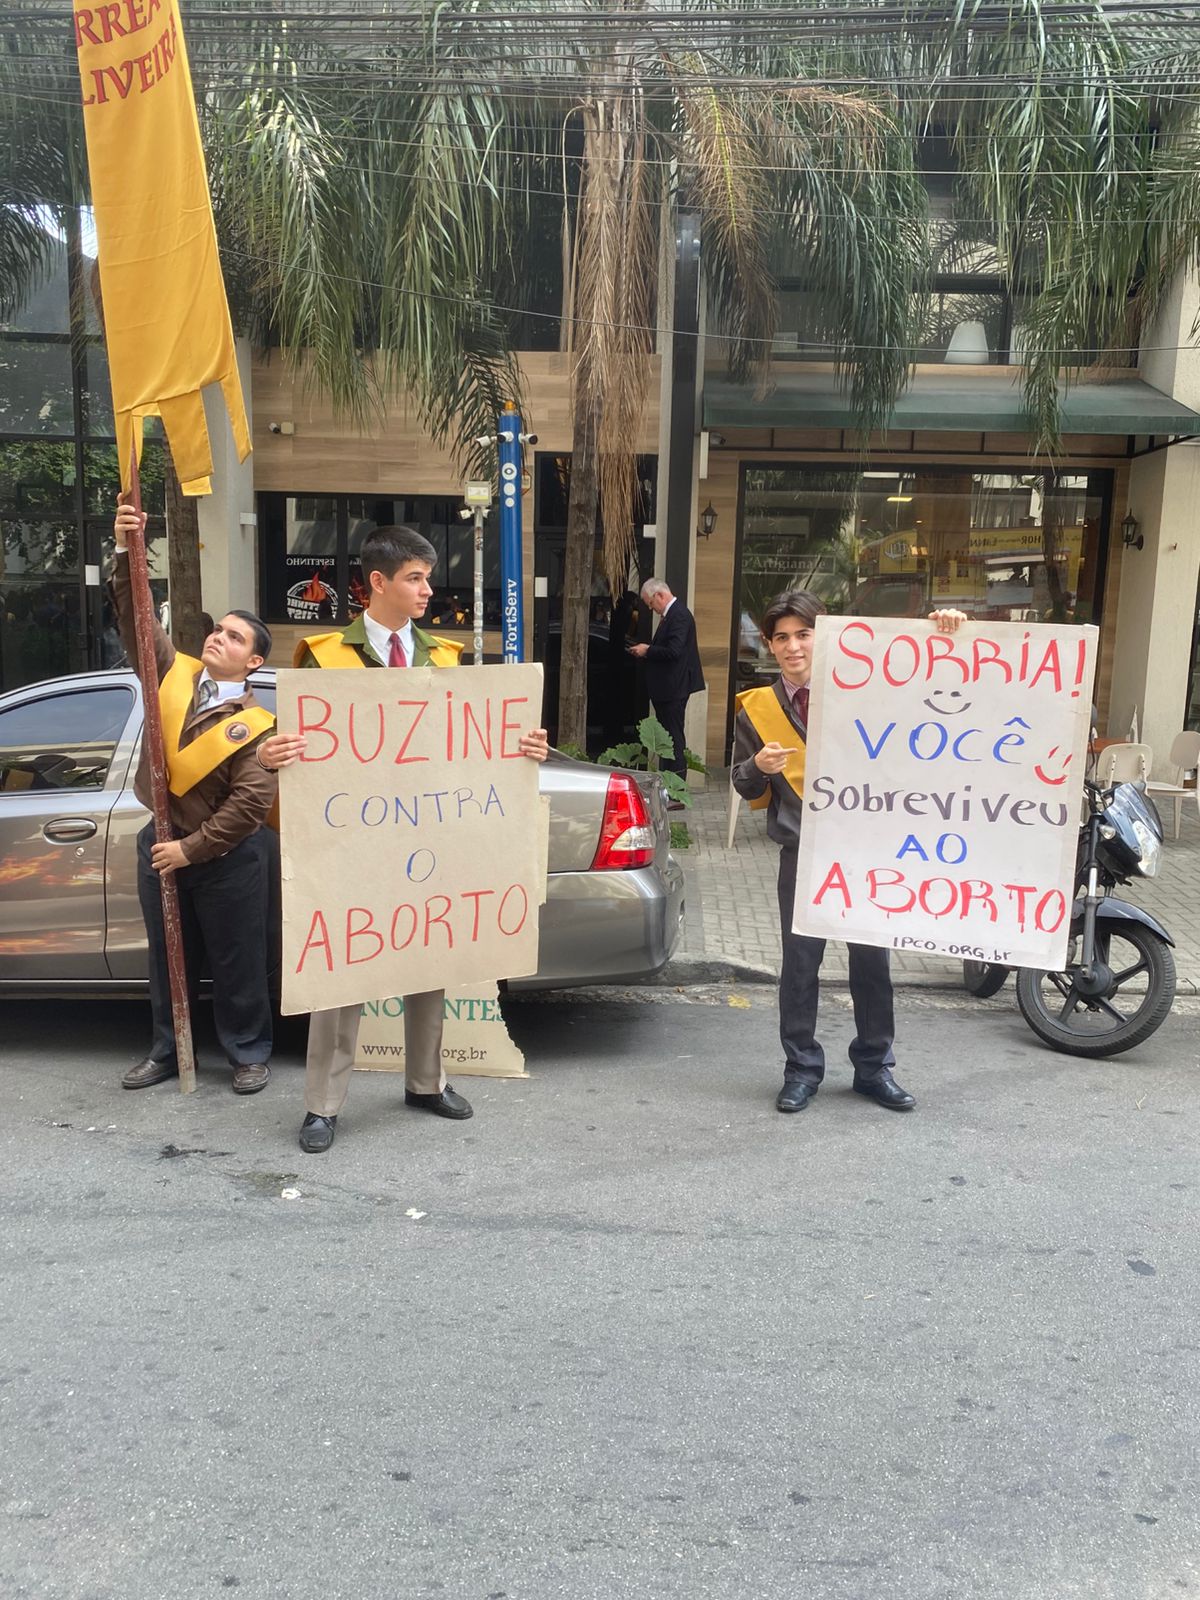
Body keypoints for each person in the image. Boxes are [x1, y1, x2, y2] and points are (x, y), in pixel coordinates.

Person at [259, 525, 549, 1155]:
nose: (426, 589)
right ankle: (323, 1104)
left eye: (427, 576)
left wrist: (522, 748)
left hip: (428, 832)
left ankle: (426, 1082)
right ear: (377, 583)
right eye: (415, 578)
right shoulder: (322, 655)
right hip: (351, 840)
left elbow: (466, 749)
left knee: (428, 953)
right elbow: (302, 746)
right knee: (341, 973)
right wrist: (273, 752)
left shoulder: (444, 657)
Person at [731, 590, 965, 1116]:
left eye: (804, 633)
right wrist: (758, 769)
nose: (794, 646)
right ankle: (801, 1070)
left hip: (866, 850)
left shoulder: (868, 689)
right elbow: (743, 784)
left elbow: (933, 696)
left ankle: (874, 1067)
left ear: (825, 636)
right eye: (782, 637)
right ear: (769, 645)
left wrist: (943, 633)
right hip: (803, 852)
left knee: (871, 964)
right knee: (800, 967)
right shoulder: (758, 709)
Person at [111, 499, 278, 1095]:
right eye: (218, 628)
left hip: (228, 857)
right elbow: (136, 617)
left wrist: (191, 851)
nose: (218, 636)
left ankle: (247, 1052)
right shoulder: (170, 671)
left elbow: (248, 806)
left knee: (237, 960)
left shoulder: (261, 724)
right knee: (167, 959)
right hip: (160, 845)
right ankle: (167, 1048)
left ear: (253, 661)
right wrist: (128, 552)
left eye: (234, 636)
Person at [627, 579, 704, 797]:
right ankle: (666, 787)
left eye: (650, 603)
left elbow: (674, 651)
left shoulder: (679, 615)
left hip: (674, 688)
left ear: (660, 595)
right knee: (666, 740)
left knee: (673, 740)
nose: (651, 608)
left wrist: (647, 650)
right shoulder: (670, 615)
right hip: (667, 688)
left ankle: (676, 791)